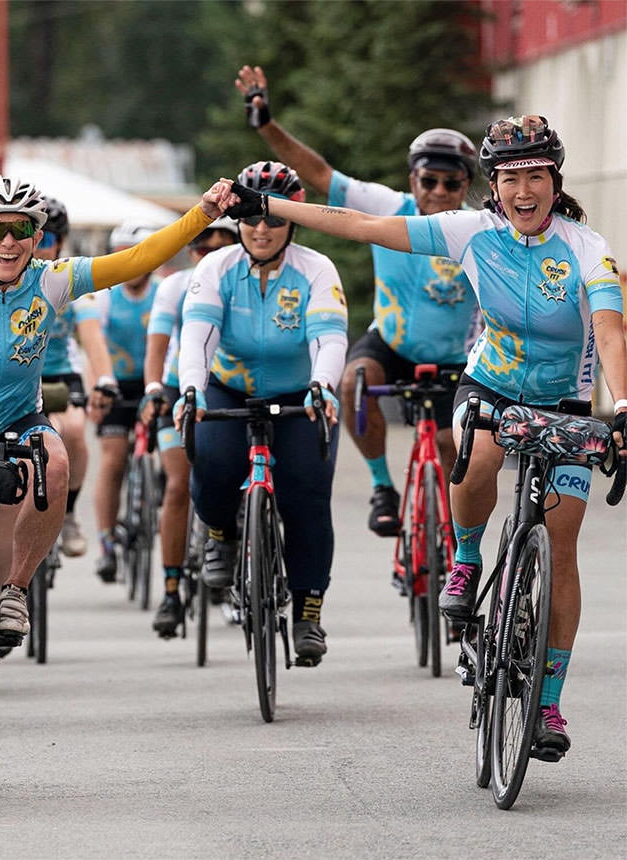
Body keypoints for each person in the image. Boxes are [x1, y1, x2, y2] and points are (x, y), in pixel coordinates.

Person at [224, 116, 627, 754]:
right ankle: (465, 557)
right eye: (511, 179)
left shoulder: (586, 246)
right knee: (472, 457)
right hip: (492, 385)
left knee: (562, 542)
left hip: (569, 403)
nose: (524, 192)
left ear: (556, 181)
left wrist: (622, 405)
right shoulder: (470, 232)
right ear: (493, 188)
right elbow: (361, 224)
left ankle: (548, 705)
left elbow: (609, 329)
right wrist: (268, 205)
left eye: (536, 177)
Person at [0, 174, 234, 742]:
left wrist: (202, 214)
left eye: (22, 229)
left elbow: (139, 257)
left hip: (14, 421)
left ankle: (16, 592)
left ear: (39, 236)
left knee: (57, 463)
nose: (9, 242)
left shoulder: (54, 281)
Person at [235, 65, 480, 538]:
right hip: (391, 343)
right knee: (353, 380)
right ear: (413, 180)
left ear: (465, 186)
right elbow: (319, 175)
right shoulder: (387, 207)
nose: (438, 193)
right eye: (429, 181)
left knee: (452, 446)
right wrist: (266, 124)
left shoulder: (478, 228)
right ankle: (383, 487)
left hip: (458, 359)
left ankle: (455, 544)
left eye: (452, 184)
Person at [174, 161, 348, 665]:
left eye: (274, 218)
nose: (263, 229)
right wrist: (192, 389)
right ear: (237, 221)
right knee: (212, 460)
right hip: (231, 388)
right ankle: (221, 536)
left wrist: (323, 386)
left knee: (307, 495)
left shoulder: (317, 269)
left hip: (300, 393)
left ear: (291, 221)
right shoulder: (216, 268)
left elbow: (329, 336)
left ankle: (309, 612)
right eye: (252, 218)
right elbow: (198, 337)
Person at [142, 216, 239, 637]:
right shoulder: (174, 286)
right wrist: (152, 388)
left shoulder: (246, 279)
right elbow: (158, 346)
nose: (210, 254)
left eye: (223, 245)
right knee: (178, 483)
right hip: (180, 386)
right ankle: (171, 588)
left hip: (232, 388)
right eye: (202, 246)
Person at [88, 221, 164, 583]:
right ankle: (105, 540)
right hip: (116, 385)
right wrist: (96, 389)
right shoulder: (104, 295)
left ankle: (156, 495)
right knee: (114, 458)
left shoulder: (164, 292)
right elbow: (92, 347)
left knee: (170, 455)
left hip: (155, 383)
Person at [35, 196, 103, 557]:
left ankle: (71, 513)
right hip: (16, 374)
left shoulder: (69, 280)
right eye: (36, 239)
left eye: (47, 242)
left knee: (74, 430)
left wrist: (103, 380)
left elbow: (92, 338)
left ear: (59, 244)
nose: (40, 250)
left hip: (59, 373)